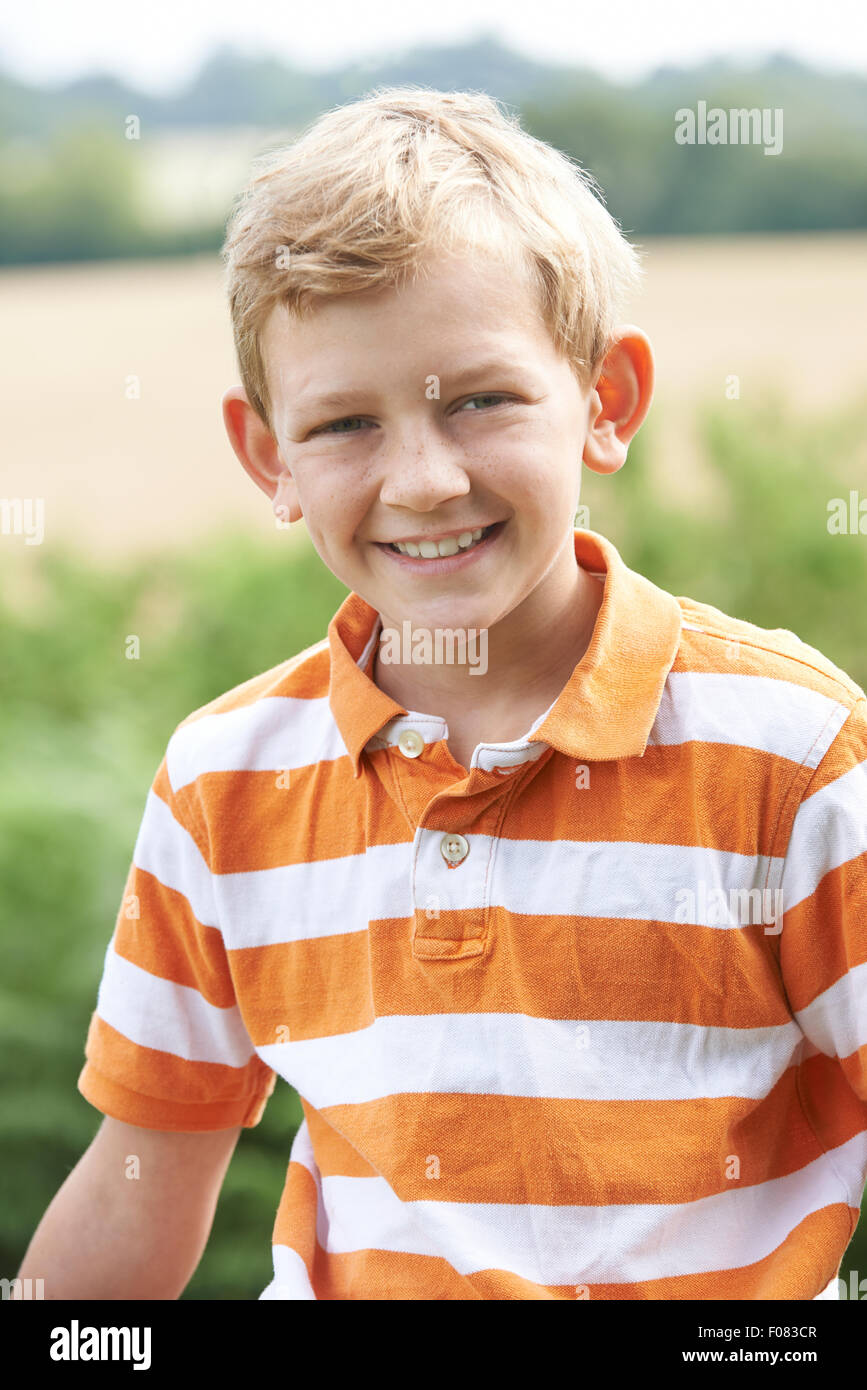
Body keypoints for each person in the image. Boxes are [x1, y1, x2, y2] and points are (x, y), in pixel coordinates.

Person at [18, 87, 867, 1300]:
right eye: (345, 423)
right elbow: (141, 1169)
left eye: (481, 399)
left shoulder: (793, 755)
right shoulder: (224, 782)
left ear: (607, 402)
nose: (423, 479)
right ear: (271, 459)